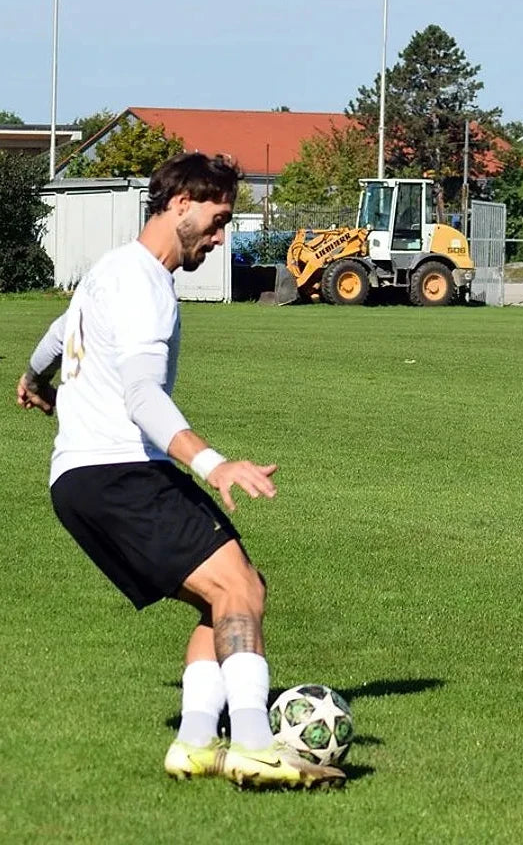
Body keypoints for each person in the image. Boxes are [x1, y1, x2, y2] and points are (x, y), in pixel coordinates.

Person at [17, 152, 345, 789]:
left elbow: (58, 334)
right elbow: (142, 396)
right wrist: (213, 463)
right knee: (237, 592)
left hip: (79, 481)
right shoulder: (143, 284)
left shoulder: (107, 272)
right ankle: (252, 744)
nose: (221, 236)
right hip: (121, 472)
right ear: (181, 204)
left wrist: (33, 379)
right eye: (219, 220)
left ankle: (197, 741)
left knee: (232, 590)